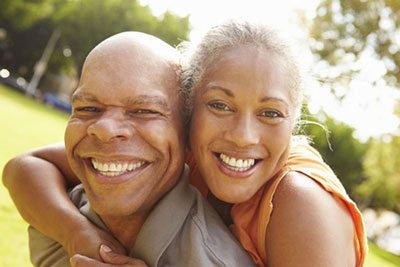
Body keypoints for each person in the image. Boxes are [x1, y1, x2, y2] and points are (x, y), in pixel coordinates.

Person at [3, 21, 367, 266]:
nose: (243, 135)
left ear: (294, 123)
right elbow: (25, 167)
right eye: (220, 105)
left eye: (271, 113)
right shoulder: (188, 148)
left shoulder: (299, 202)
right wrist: (82, 237)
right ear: (190, 113)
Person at [3, 31, 256, 266]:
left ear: (189, 133)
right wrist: (75, 233)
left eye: (144, 111)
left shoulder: (215, 259)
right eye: (88, 108)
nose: (105, 129)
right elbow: (21, 167)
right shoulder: (58, 213)